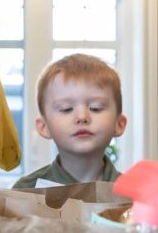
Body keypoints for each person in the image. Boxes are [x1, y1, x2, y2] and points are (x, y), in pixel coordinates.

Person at [12, 54, 127, 189]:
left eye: (96, 108)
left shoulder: (140, 195)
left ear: (119, 124)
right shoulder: (24, 192)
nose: (82, 116)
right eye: (66, 109)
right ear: (44, 126)